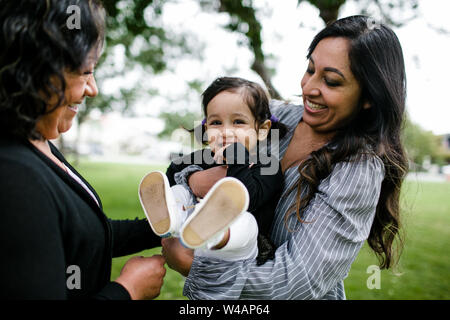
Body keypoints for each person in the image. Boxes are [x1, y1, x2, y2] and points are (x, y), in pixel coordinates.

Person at [161, 15, 408, 299]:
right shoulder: (279, 119)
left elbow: (293, 283)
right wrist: (194, 179)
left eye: (331, 81)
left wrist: (195, 265)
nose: (308, 88)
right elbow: (212, 140)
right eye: (310, 69)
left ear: (368, 97)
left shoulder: (357, 170)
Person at [0, 0, 166, 300]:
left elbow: (83, 233)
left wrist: (169, 226)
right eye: (85, 71)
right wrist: (128, 291)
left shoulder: (36, 140)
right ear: (37, 70)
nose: (93, 88)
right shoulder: (13, 175)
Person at [139, 77, 287, 265]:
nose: (225, 132)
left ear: (262, 130)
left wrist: (236, 156)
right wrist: (191, 177)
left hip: (240, 250)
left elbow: (248, 198)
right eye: (216, 123)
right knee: (179, 190)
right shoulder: (204, 158)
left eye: (238, 122)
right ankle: (171, 220)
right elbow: (172, 171)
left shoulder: (267, 165)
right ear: (206, 128)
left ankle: (217, 232)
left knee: (246, 222)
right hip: (192, 241)